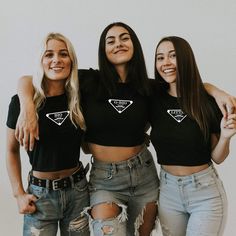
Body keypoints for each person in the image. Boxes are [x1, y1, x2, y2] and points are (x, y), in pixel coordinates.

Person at [14, 22, 236, 236]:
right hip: (104, 178)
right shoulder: (88, 80)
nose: (118, 44)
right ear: (103, 49)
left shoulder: (149, 88)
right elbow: (29, 79)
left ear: (134, 45)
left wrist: (216, 92)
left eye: (124, 38)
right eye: (110, 41)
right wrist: (27, 107)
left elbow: (184, 84)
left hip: (143, 174)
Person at [150, 36, 236, 236]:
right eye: (160, 58)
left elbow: (218, 157)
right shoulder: (153, 97)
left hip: (205, 193)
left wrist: (225, 137)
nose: (166, 63)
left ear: (186, 58)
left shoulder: (207, 102)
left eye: (173, 56)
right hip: (168, 192)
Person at [6, 33, 90, 236]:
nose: (56, 60)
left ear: (71, 60)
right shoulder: (21, 103)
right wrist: (18, 194)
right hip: (40, 196)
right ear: (41, 61)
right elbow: (11, 151)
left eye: (63, 54)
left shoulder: (80, 96)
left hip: (78, 191)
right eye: (49, 54)